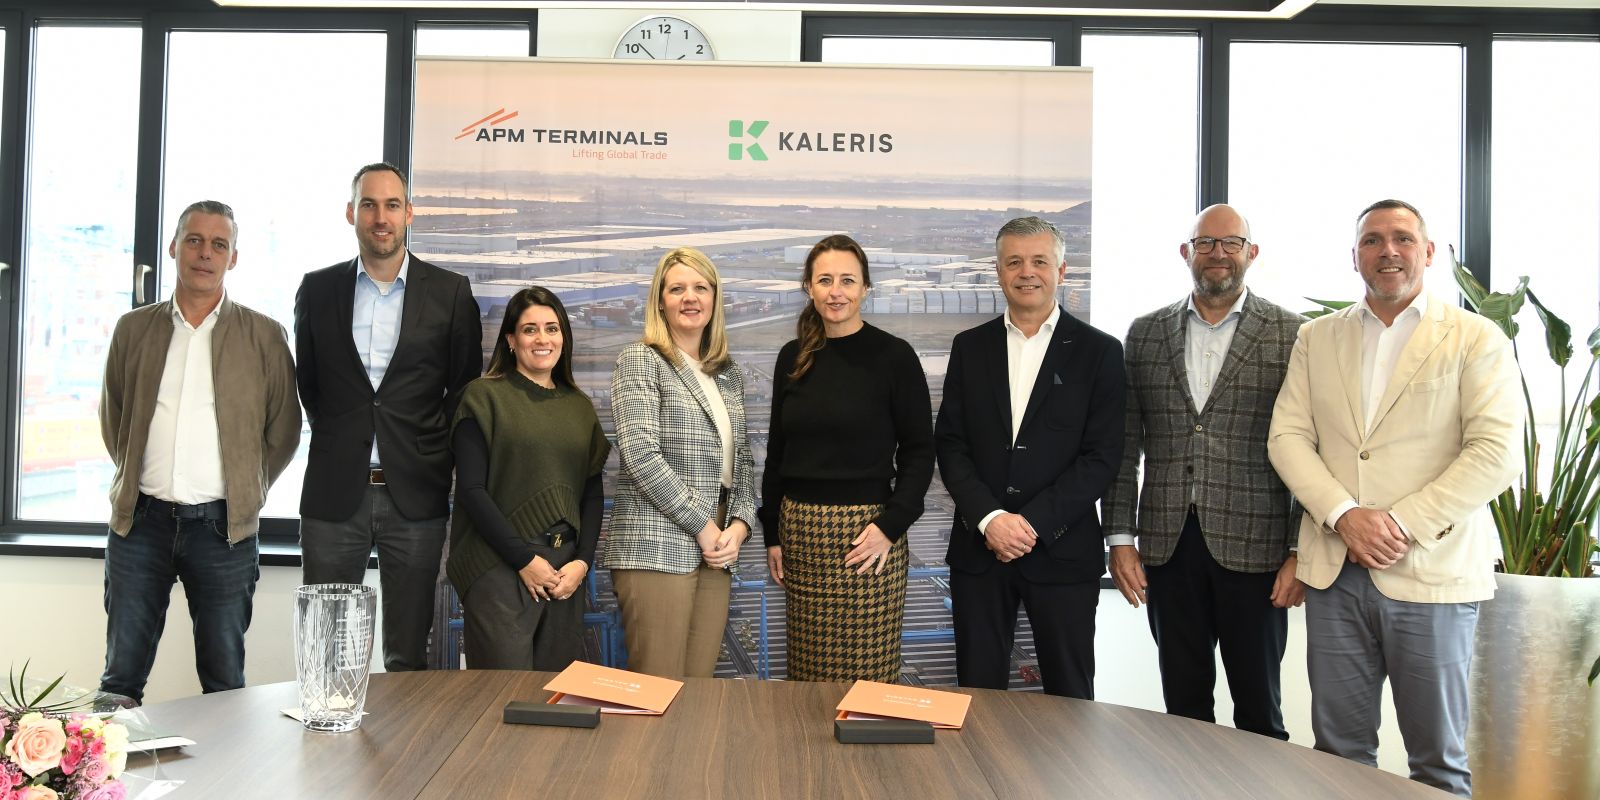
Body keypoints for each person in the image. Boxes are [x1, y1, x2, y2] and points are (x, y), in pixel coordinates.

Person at [1268, 199, 1522, 796]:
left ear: (1427, 252)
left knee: (1437, 763)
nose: (1388, 251)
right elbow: (1287, 437)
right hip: (1335, 574)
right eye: (1373, 240)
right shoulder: (1316, 338)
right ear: (1355, 256)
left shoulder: (1474, 337)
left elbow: (1495, 453)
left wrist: (1399, 523)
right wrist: (1344, 516)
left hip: (1432, 572)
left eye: (1403, 239)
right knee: (1338, 757)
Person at [1102, 204, 1305, 739]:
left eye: (1231, 243)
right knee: (1184, 709)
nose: (1218, 253)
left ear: (1251, 253)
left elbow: (1312, 449)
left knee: (1259, 714)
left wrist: (1299, 550)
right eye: (1205, 243)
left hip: (1257, 549)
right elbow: (1125, 446)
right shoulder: (1146, 333)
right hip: (1168, 548)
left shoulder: (1292, 333)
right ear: (1186, 252)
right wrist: (1120, 538)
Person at [98, 200, 300, 704]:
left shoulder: (265, 336)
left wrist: (245, 488)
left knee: (223, 682)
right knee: (120, 681)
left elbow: (284, 431)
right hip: (139, 526)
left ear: (233, 257)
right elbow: (114, 418)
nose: (205, 253)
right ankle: (108, 761)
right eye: (194, 240)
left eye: (218, 244)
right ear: (174, 247)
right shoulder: (133, 329)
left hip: (223, 532)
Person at [294, 162, 483, 672]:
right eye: (370, 205)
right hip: (335, 492)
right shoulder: (317, 289)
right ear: (351, 213)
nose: (381, 217)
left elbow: (463, 391)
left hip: (415, 495)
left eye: (392, 205)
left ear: (409, 214)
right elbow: (309, 385)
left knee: (408, 652)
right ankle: (327, 725)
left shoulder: (449, 292)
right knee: (325, 650)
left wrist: (431, 454)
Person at [934, 216, 1125, 699]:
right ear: (998, 271)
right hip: (980, 552)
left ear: (1061, 270)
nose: (1027, 272)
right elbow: (951, 445)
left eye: (1040, 261)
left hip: (1063, 554)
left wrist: (1031, 524)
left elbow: (1101, 457)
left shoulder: (1100, 352)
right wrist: (991, 519)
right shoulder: (969, 348)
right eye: (1014, 261)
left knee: (1070, 698)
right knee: (977, 698)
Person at [760, 234, 934, 683]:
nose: (835, 291)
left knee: (868, 684)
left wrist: (890, 527)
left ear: (865, 288)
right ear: (808, 287)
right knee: (807, 682)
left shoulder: (894, 357)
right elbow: (777, 452)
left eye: (847, 281)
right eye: (825, 280)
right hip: (801, 535)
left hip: (869, 536)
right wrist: (772, 535)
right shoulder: (792, 357)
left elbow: (919, 451)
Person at [605, 248, 757, 678]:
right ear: (660, 301)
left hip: (719, 547)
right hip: (657, 545)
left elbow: (743, 462)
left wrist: (739, 527)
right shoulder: (641, 359)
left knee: (698, 688)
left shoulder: (727, 374)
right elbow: (640, 456)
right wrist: (704, 527)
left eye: (700, 288)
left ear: (714, 299)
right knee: (658, 686)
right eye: (677, 289)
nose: (690, 297)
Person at [445, 287, 609, 670]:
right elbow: (471, 490)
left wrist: (582, 563)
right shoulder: (483, 397)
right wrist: (524, 559)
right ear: (510, 339)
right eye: (529, 329)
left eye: (552, 328)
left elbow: (592, 495)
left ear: (563, 337)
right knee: (502, 695)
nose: (542, 339)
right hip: (499, 567)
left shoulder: (579, 407)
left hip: (564, 572)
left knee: (554, 695)